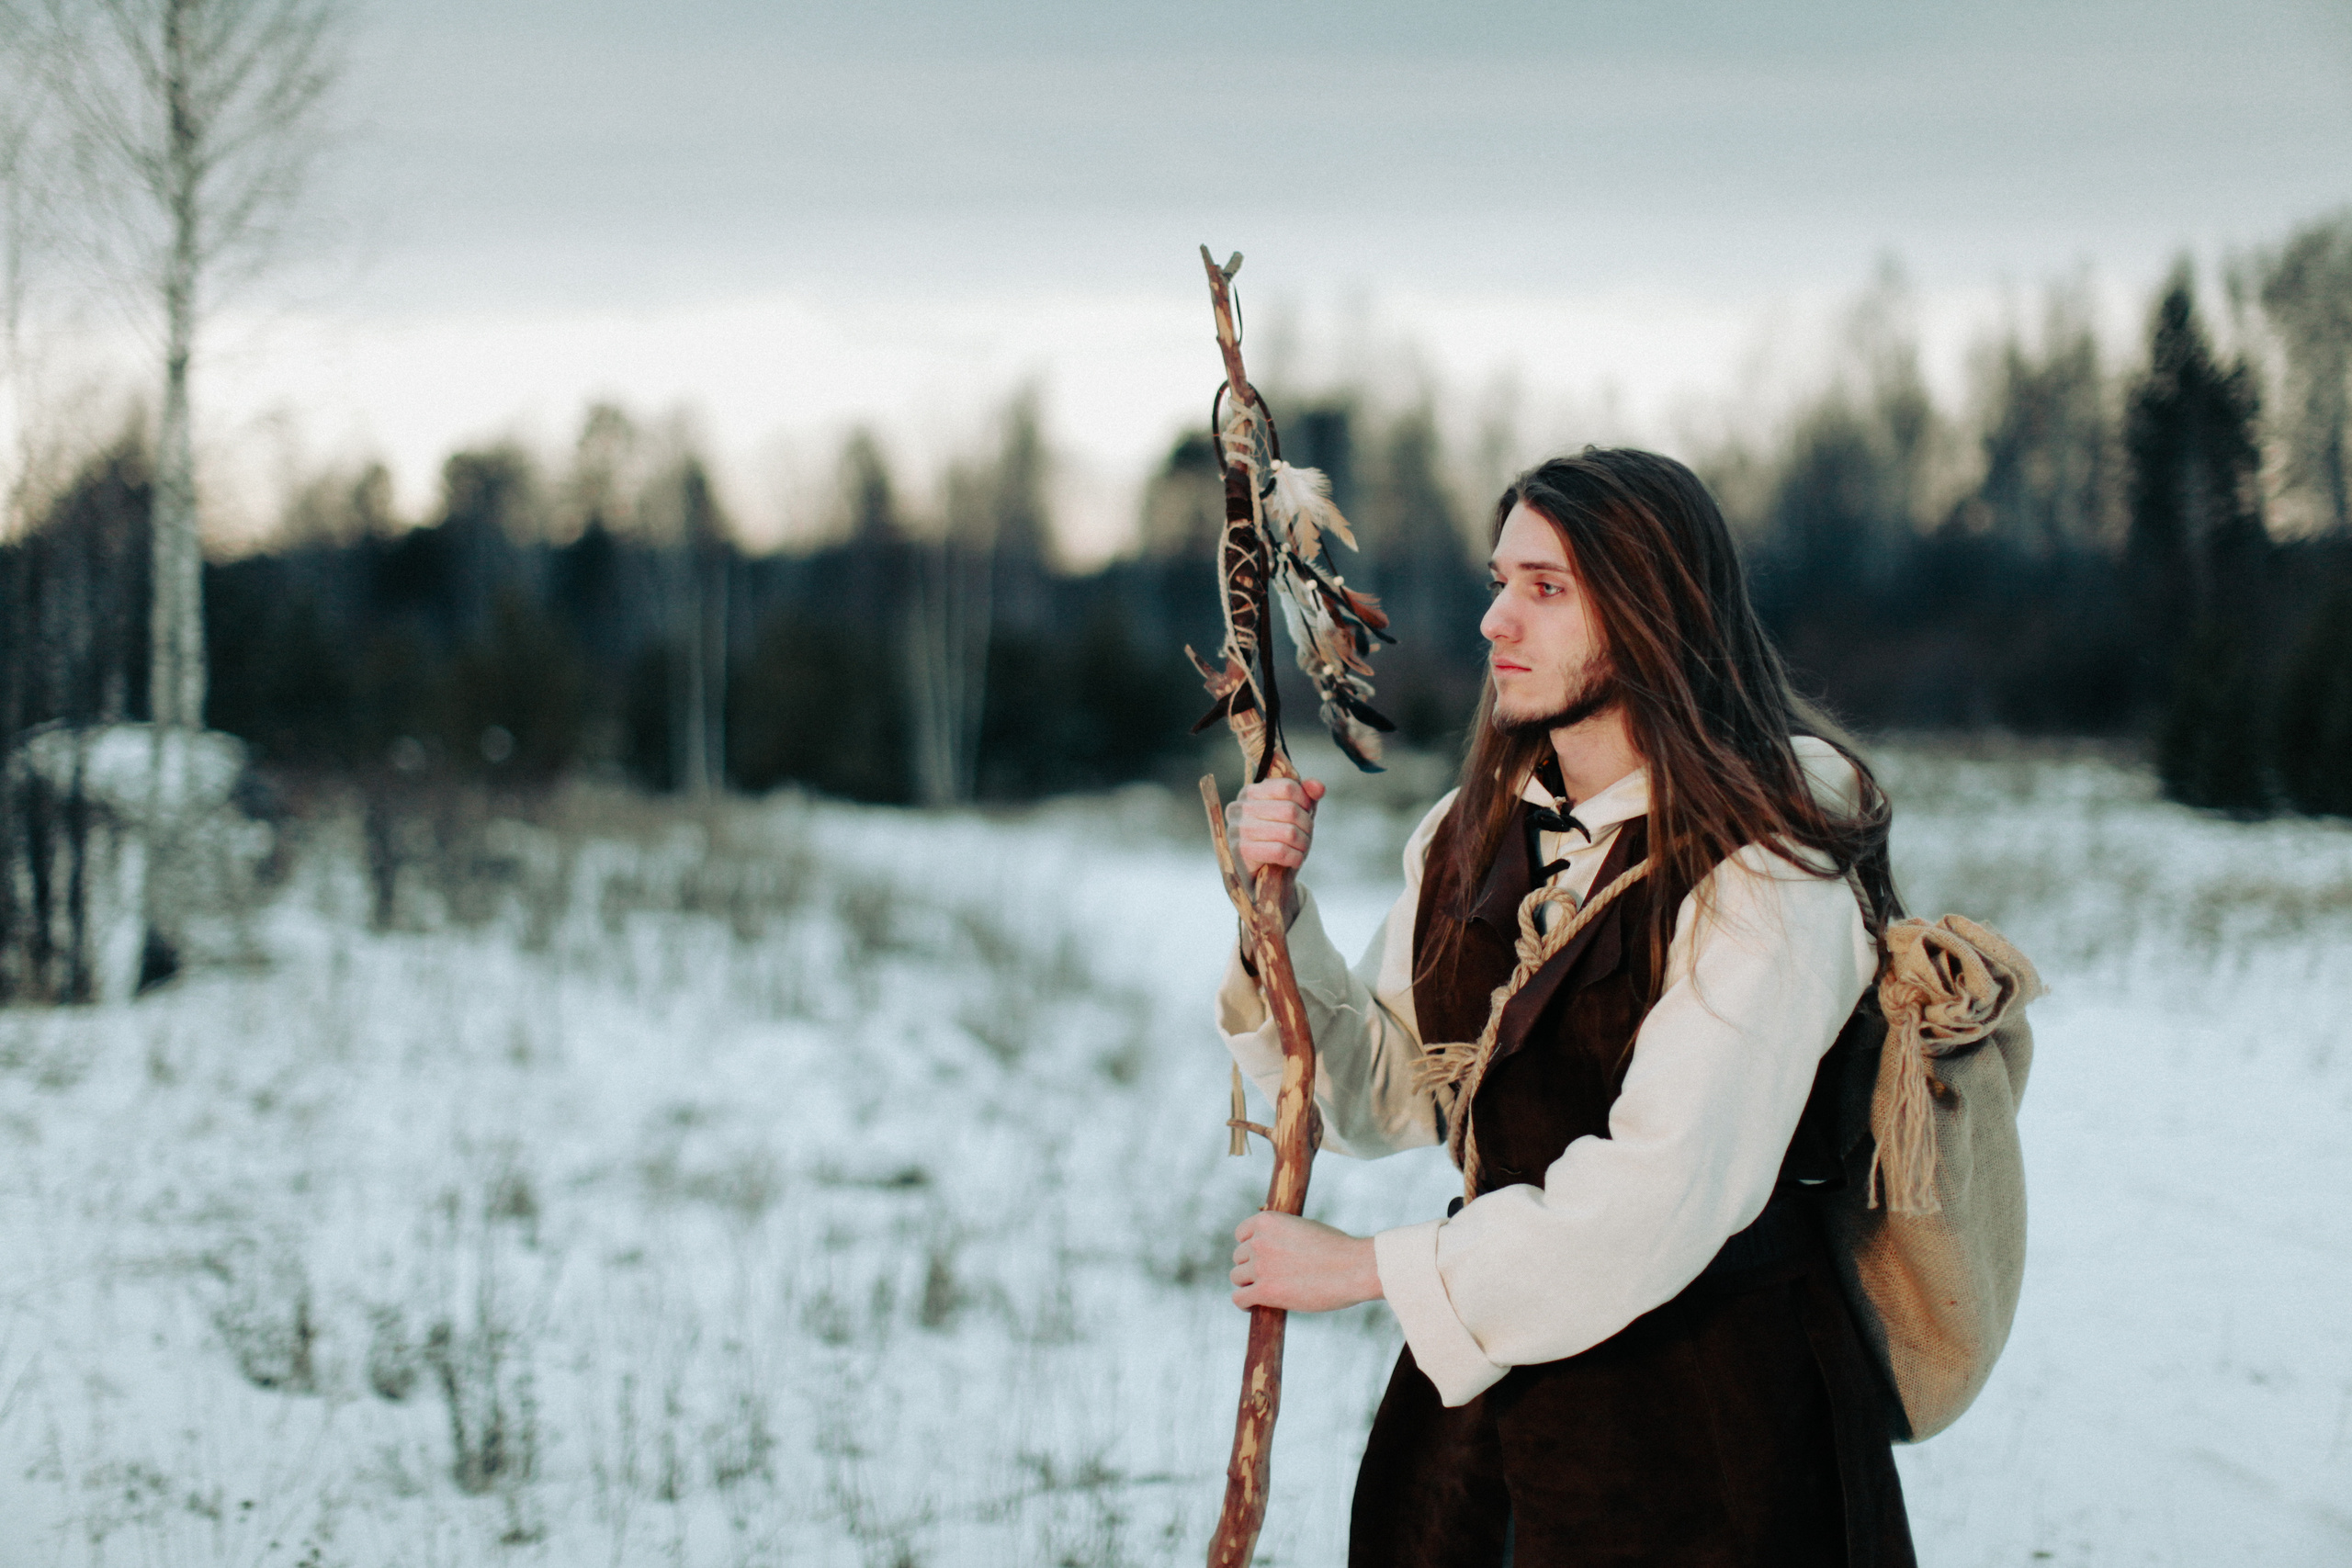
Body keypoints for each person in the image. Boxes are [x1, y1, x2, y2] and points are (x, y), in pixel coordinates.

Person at [1216, 448, 1916, 1567]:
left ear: (1652, 612)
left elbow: (1658, 1196)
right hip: (1486, 1436)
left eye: (1546, 589)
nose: (1496, 619)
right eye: (1501, 581)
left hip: (1706, 1441)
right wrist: (1276, 921)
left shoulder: (1772, 867)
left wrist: (1370, 1269)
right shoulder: (1475, 831)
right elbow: (1389, 1091)